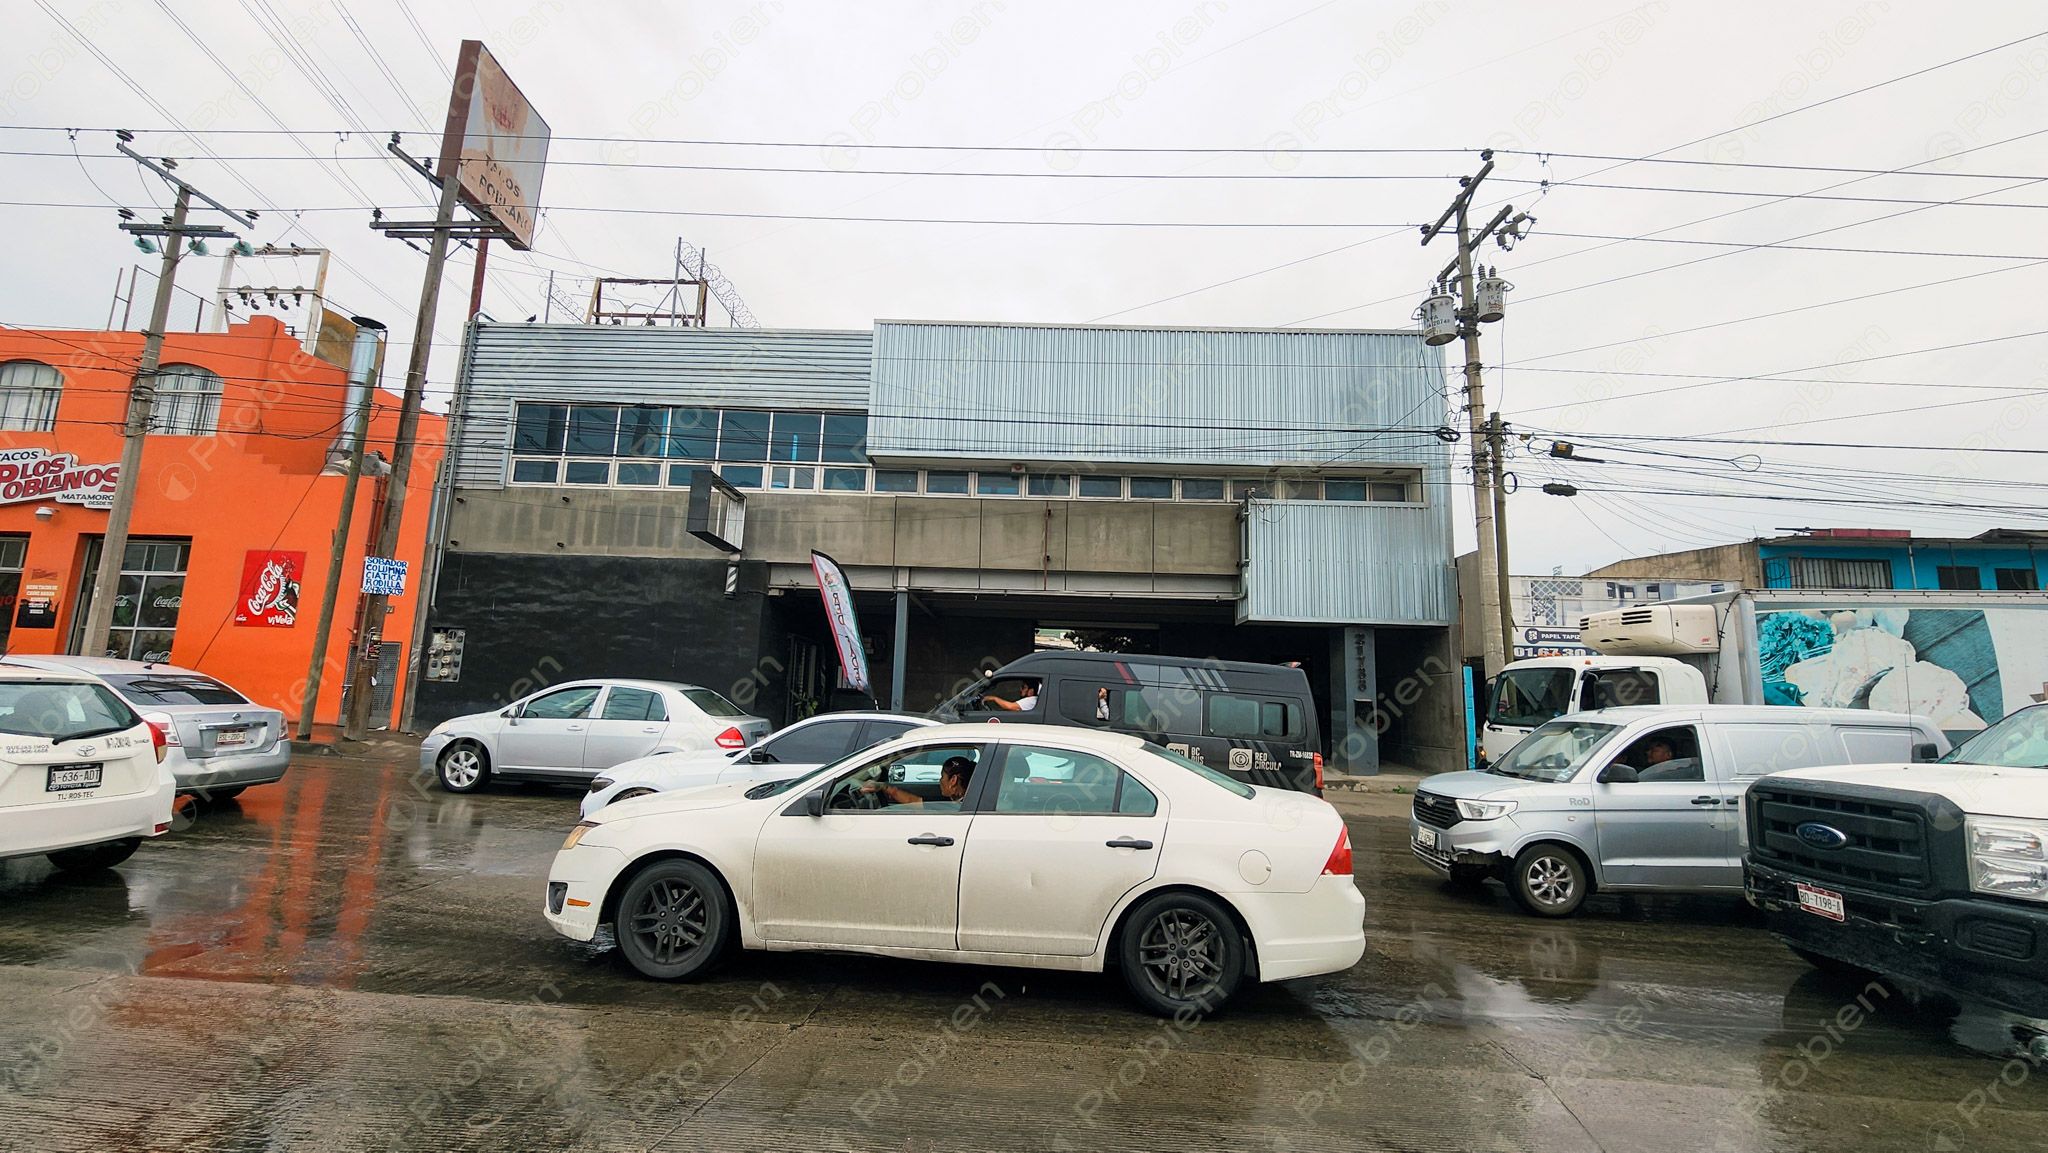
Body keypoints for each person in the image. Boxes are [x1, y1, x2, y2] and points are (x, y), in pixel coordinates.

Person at [861, 756, 974, 808]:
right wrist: (884, 787)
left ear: (953, 780)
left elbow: (914, 801)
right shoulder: (954, 800)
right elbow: (915, 801)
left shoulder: (955, 806)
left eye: (942, 776)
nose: (940, 781)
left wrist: (884, 787)